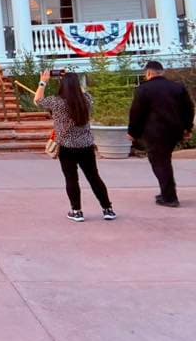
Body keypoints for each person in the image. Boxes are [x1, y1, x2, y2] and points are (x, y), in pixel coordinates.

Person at [35, 69, 115, 222]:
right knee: (94, 178)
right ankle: (108, 209)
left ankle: (76, 211)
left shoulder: (57, 102)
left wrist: (43, 81)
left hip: (66, 146)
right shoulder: (87, 99)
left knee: (71, 179)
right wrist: (73, 80)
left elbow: (38, 100)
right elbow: (81, 92)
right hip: (86, 145)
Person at [128, 60, 195, 208]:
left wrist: (132, 132)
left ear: (149, 73)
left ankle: (169, 197)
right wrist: (188, 128)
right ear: (162, 72)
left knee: (160, 163)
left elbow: (136, 113)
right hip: (174, 132)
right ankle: (166, 192)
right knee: (164, 161)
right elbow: (188, 109)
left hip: (155, 133)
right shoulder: (177, 87)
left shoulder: (143, 90)